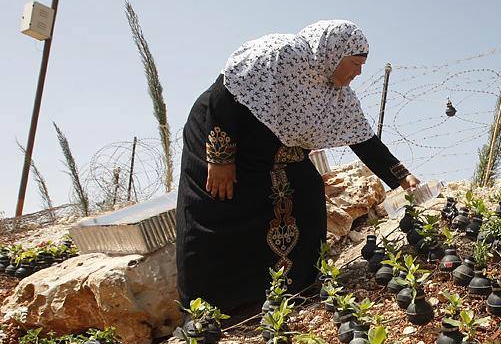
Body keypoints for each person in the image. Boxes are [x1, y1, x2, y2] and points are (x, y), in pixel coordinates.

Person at [176, 20, 419, 313]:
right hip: (222, 139)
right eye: (355, 64)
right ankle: (209, 309)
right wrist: (220, 158)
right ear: (333, 53)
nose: (359, 73)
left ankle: (296, 286)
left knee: (306, 194)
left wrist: (402, 175)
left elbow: (364, 140)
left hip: (274, 155)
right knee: (217, 211)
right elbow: (224, 93)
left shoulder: (337, 95)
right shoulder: (280, 55)